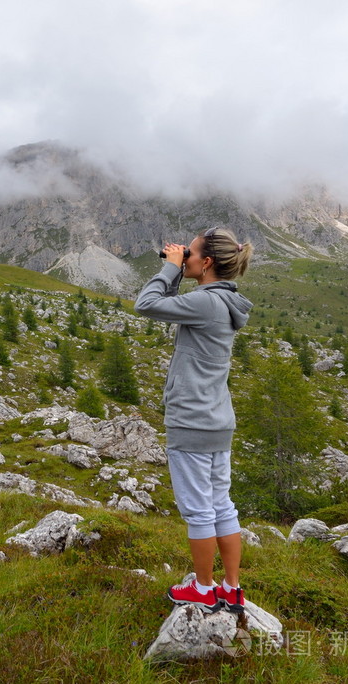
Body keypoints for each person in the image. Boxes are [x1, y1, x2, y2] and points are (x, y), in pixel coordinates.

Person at [133, 226, 253, 614]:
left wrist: (169, 269)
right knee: (222, 506)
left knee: (200, 511)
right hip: (217, 420)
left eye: (192, 253)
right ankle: (230, 589)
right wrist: (179, 269)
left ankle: (203, 589)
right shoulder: (221, 302)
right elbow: (168, 306)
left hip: (191, 420)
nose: (185, 257)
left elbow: (146, 304)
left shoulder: (205, 304)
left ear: (207, 262)